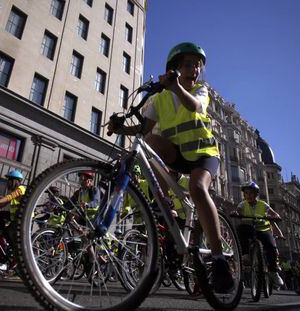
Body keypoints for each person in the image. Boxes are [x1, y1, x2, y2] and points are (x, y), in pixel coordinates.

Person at [108, 42, 234, 293]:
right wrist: (120, 128)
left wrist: (176, 86)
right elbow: (145, 129)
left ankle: (220, 260)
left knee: (198, 189)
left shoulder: (201, 90)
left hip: (203, 155)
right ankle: (164, 207)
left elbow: (195, 107)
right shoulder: (159, 98)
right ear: (174, 68)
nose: (194, 69)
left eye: (197, 65)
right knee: (150, 140)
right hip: (177, 156)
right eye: (188, 64)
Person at [231, 181, 284, 287]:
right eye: (246, 193)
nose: (248, 195)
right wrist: (235, 213)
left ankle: (273, 272)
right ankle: (245, 255)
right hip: (250, 230)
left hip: (263, 230)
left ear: (256, 194)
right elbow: (238, 211)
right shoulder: (242, 204)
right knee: (240, 228)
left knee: (271, 246)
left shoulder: (263, 204)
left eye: (251, 193)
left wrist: (276, 216)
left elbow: (273, 213)